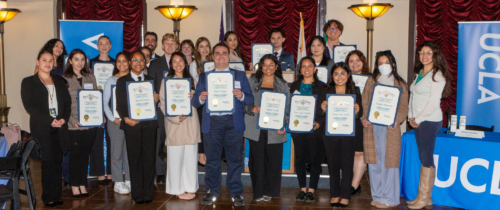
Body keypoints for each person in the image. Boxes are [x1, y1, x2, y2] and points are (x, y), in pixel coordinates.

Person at [193, 43, 254, 207]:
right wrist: (201, 98)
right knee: (212, 160)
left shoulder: (240, 76)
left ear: (229, 56)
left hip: (233, 122)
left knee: (234, 160)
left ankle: (236, 192)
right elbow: (194, 101)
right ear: (213, 57)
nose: (221, 56)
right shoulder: (204, 77)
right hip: (213, 123)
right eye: (217, 53)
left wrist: (241, 95)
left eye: (224, 53)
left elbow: (250, 99)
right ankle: (212, 190)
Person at [21, 49, 71, 207]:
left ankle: (56, 195)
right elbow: (30, 107)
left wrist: (63, 119)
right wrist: (51, 120)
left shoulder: (59, 80)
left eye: (51, 61)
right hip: (43, 127)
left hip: (60, 126)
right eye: (44, 60)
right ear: (38, 62)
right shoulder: (28, 82)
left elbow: (67, 103)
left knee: (58, 161)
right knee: (47, 162)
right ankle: (48, 196)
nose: (48, 63)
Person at [361, 50, 408, 208]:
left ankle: (389, 199)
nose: (383, 66)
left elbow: (404, 108)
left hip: (390, 128)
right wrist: (364, 118)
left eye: (386, 63)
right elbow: (365, 103)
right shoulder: (371, 81)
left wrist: (397, 120)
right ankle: (378, 195)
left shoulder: (400, 83)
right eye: (380, 63)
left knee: (389, 164)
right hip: (372, 128)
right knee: (374, 163)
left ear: (393, 64)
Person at [406, 41, 450, 209]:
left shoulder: (437, 75)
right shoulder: (419, 73)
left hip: (430, 121)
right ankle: (422, 197)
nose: (424, 56)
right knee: (423, 156)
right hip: (417, 120)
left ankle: (425, 197)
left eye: (428, 53)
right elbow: (413, 96)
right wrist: (411, 116)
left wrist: (418, 119)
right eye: (421, 52)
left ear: (435, 55)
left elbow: (433, 102)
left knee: (426, 157)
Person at [115, 51, 159, 204]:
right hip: (131, 125)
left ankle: (148, 193)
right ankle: (137, 193)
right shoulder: (122, 81)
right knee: (134, 160)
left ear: (145, 62)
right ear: (130, 62)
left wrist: (156, 99)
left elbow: (154, 105)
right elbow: (119, 105)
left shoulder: (151, 80)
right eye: (135, 60)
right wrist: (126, 118)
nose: (139, 63)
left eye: (142, 60)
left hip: (149, 126)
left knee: (149, 159)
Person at [244, 54, 289, 201]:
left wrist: (284, 123)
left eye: (271, 64)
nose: (268, 67)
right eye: (265, 64)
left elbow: (287, 108)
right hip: (255, 127)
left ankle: (270, 191)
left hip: (274, 128)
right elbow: (244, 101)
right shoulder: (252, 80)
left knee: (273, 161)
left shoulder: (282, 84)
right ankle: (258, 192)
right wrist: (251, 108)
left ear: (276, 66)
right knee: (256, 161)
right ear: (260, 67)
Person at [319, 62, 362, 207]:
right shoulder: (326, 89)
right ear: (332, 76)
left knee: (347, 164)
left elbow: (360, 112)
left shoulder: (354, 90)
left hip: (348, 132)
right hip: (330, 133)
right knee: (333, 164)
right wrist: (323, 109)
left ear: (348, 75)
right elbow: (319, 113)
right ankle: (335, 194)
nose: (339, 77)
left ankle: (345, 195)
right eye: (336, 74)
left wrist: (357, 111)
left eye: (343, 73)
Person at [159, 52, 201, 200]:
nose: (178, 64)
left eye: (180, 61)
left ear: (185, 62)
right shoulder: (167, 81)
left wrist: (194, 95)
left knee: (190, 158)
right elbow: (163, 104)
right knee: (175, 159)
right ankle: (176, 188)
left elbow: (199, 102)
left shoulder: (192, 80)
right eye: (174, 61)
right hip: (175, 123)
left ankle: (190, 187)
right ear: (171, 65)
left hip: (190, 123)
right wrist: (175, 117)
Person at [62, 49, 98, 198]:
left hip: (90, 124)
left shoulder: (91, 77)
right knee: (75, 156)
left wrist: (98, 116)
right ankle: (74, 185)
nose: (79, 62)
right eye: (76, 59)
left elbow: (95, 99)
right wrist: (72, 120)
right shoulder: (64, 79)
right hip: (74, 124)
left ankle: (82, 183)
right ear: (70, 61)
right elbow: (64, 104)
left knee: (85, 156)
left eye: (82, 59)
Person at [289, 57, 323, 202]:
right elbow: (289, 106)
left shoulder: (322, 86)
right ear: (300, 69)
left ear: (315, 68)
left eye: (310, 66)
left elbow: (326, 108)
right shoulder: (293, 85)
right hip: (298, 127)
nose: (307, 69)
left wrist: (320, 122)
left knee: (315, 159)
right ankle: (302, 188)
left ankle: (312, 189)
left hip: (314, 128)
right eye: (304, 66)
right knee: (300, 159)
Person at [149, 33, 178, 184]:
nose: (170, 45)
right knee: (159, 140)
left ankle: (174, 170)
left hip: (177, 109)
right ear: (162, 46)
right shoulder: (155, 64)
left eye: (172, 43)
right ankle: (160, 172)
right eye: (167, 43)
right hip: (160, 109)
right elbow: (151, 85)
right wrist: (155, 98)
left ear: (176, 45)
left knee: (174, 140)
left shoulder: (180, 62)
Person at [103, 52, 131, 195]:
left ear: (129, 62)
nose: (121, 64)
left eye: (124, 61)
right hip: (115, 122)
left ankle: (129, 180)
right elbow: (105, 103)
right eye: (119, 61)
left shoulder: (132, 79)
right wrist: (111, 118)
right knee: (117, 152)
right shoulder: (111, 80)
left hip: (131, 122)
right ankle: (118, 182)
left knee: (129, 151)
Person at [88, 35, 115, 185]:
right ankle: (99, 173)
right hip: (94, 104)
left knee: (112, 139)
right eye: (101, 44)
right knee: (96, 140)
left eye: (106, 43)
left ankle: (111, 172)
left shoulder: (116, 64)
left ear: (110, 46)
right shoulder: (90, 63)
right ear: (97, 46)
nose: (104, 46)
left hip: (112, 105)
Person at [345, 50, 371, 195]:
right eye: (351, 61)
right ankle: (348, 182)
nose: (354, 63)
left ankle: (354, 185)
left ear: (363, 61)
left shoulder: (372, 79)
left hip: (364, 120)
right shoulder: (343, 78)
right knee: (348, 152)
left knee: (360, 153)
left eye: (357, 60)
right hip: (346, 120)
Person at [189, 37, 213, 166]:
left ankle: (210, 154)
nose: (204, 49)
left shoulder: (214, 62)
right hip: (201, 102)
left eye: (207, 46)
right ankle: (201, 155)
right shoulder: (193, 65)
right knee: (202, 129)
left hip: (214, 102)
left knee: (211, 130)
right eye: (201, 46)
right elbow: (195, 86)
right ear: (197, 49)